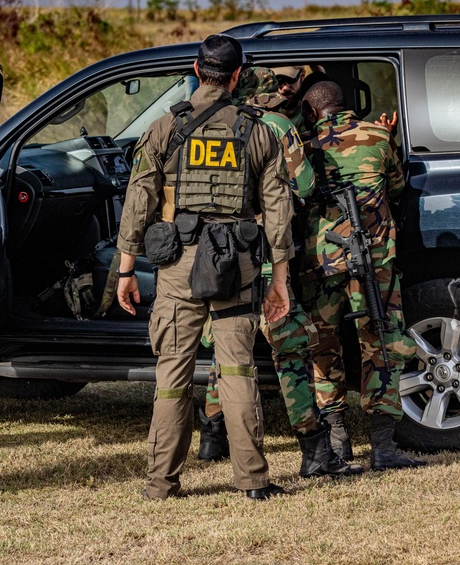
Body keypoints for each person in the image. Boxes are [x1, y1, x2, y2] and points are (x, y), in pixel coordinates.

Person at [116, 35, 294, 500]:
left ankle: (161, 484)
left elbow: (139, 201)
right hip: (235, 265)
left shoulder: (163, 129)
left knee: (172, 376)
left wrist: (125, 268)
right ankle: (253, 482)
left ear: (197, 70)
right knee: (237, 372)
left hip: (177, 265)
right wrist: (280, 279)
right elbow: (277, 210)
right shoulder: (259, 132)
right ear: (237, 76)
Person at [196, 67, 361, 479]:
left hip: (218, 255)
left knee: (225, 349)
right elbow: (304, 185)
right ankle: (314, 450)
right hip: (267, 256)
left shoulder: (207, 122)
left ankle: (211, 438)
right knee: (290, 353)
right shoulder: (279, 126)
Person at [299, 80, 424, 470]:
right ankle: (383, 447)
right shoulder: (378, 135)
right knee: (381, 345)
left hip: (322, 265)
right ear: (346, 105)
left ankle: (338, 443)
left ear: (311, 112)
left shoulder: (304, 149)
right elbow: (399, 187)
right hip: (375, 262)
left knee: (322, 348)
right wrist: (389, 139)